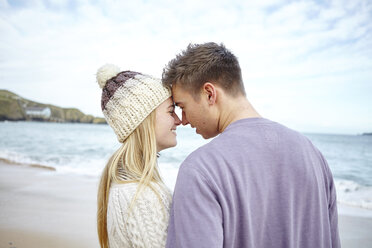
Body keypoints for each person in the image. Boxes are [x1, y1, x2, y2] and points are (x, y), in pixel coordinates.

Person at [162, 42, 340, 248]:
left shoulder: (200, 170)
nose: (183, 119)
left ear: (210, 94)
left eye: (182, 106)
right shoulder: (313, 154)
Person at [96, 64, 181, 248]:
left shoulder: (124, 187)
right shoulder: (143, 197)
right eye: (170, 110)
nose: (179, 120)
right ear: (145, 119)